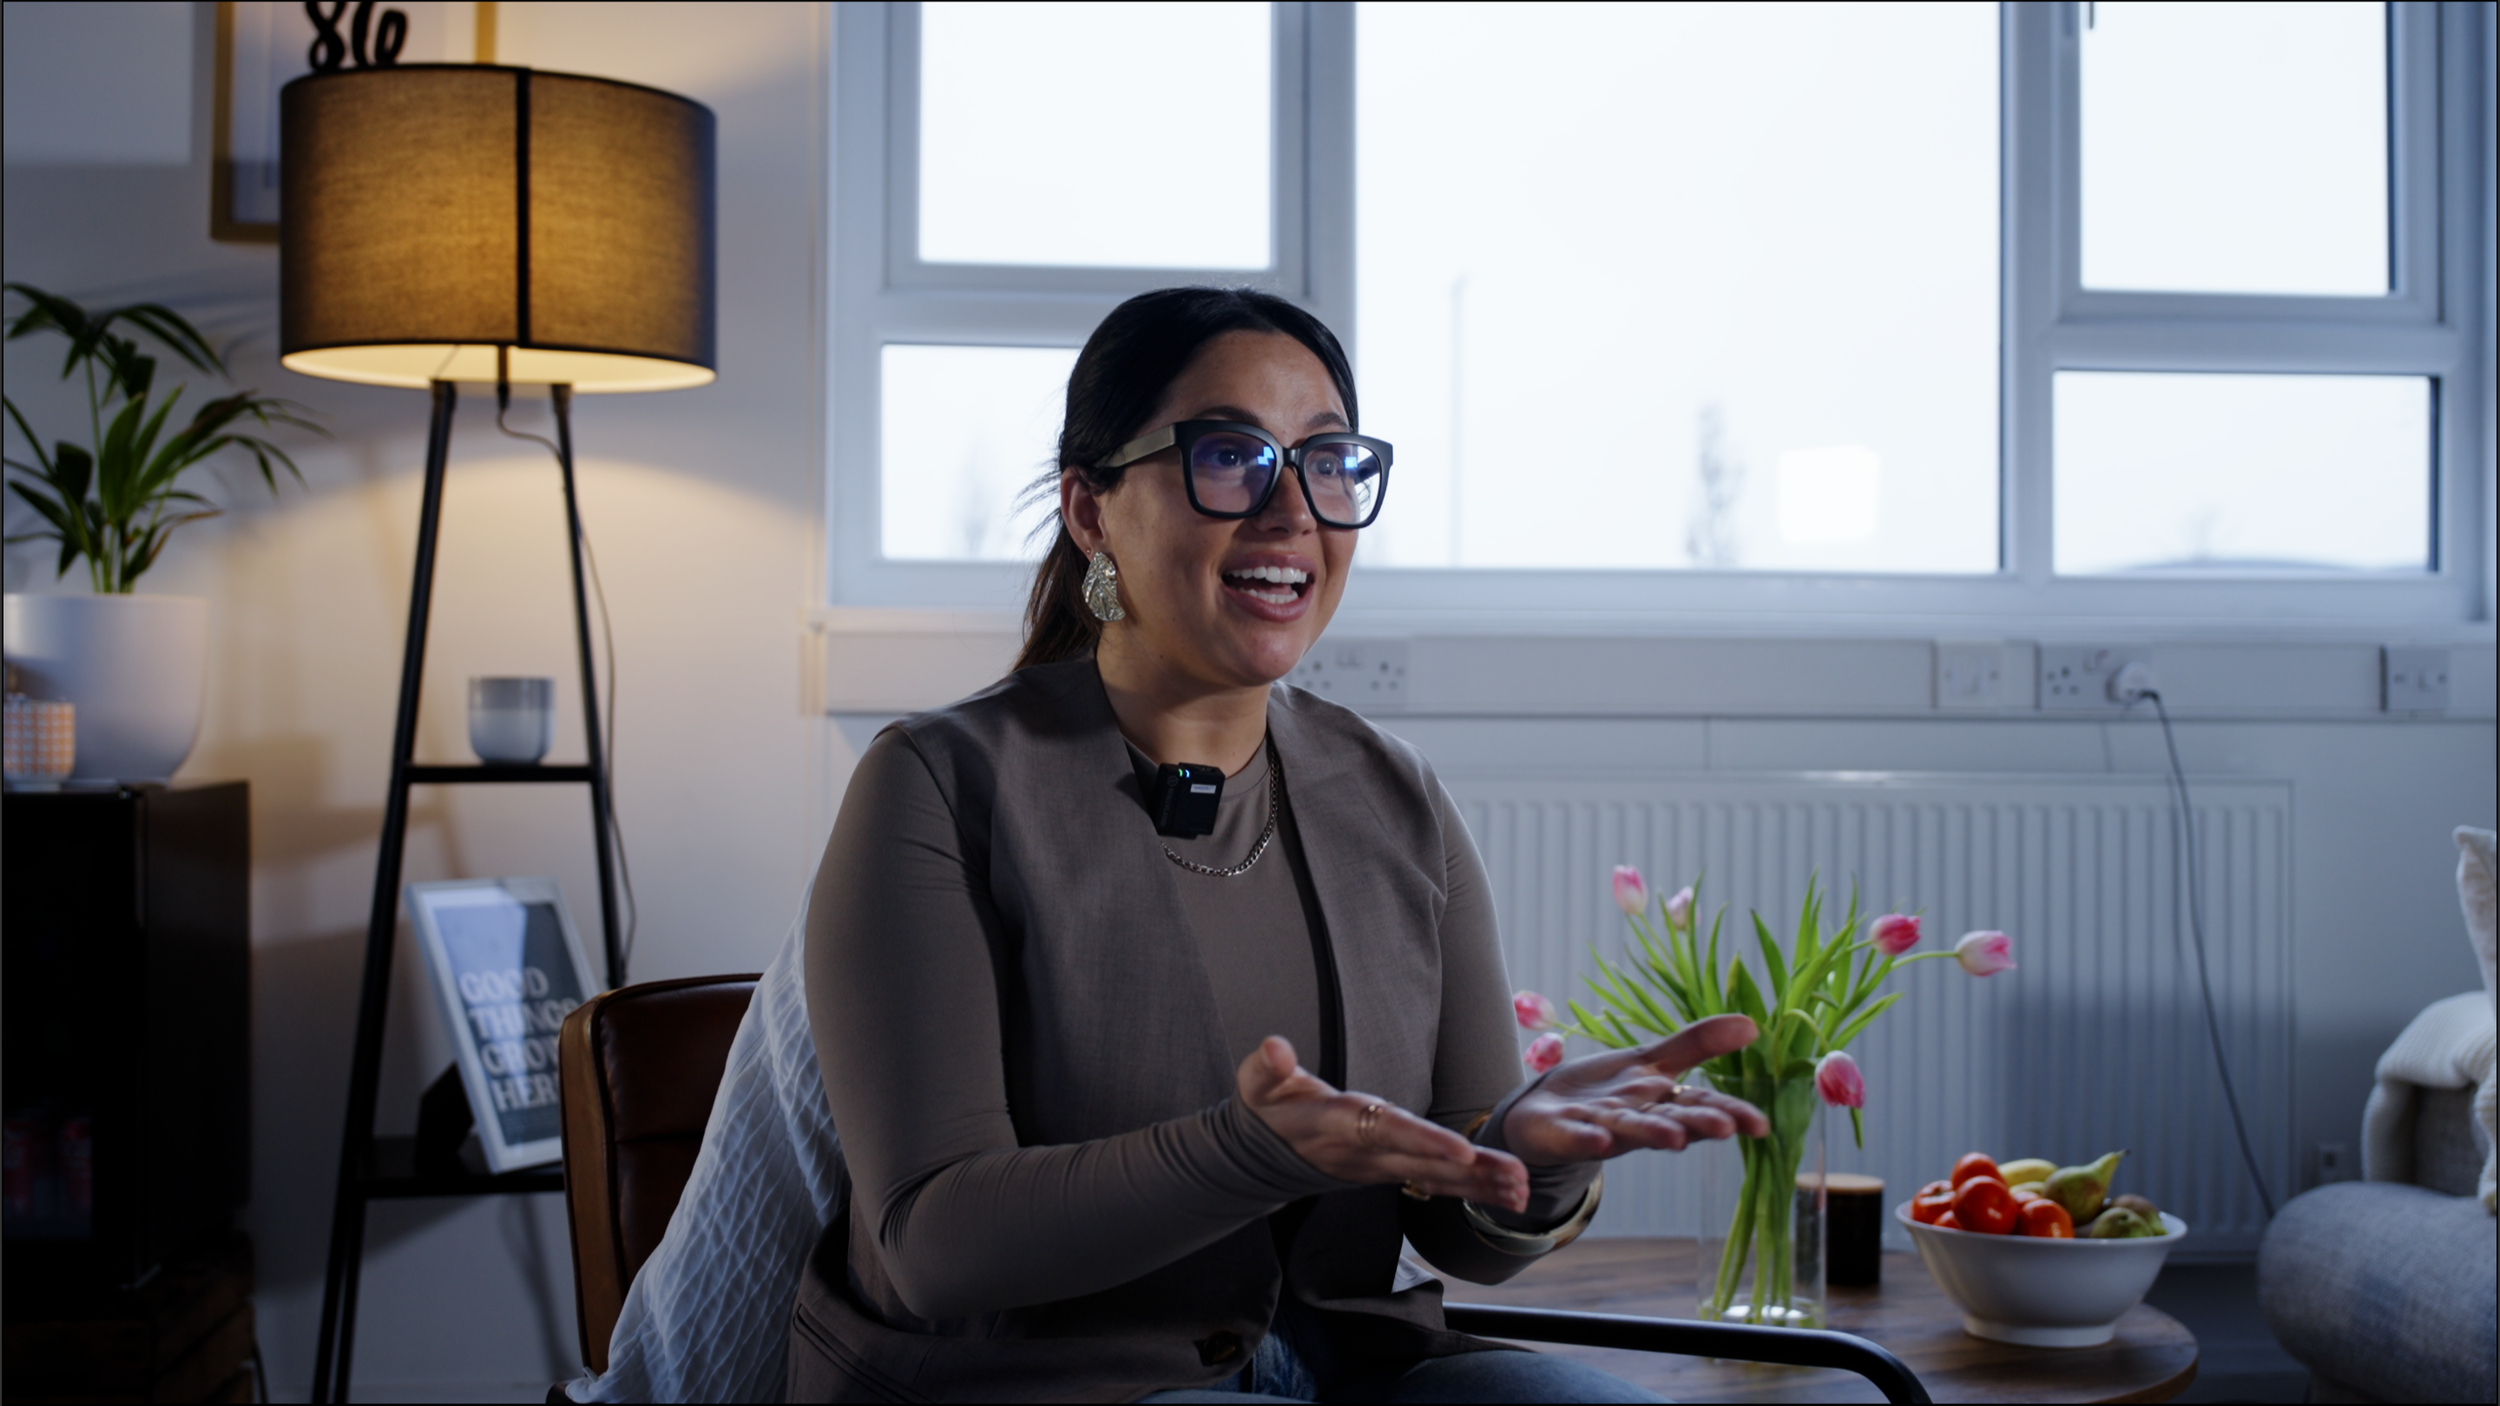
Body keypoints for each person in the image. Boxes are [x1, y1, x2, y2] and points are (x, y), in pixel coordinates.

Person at [790, 287, 1768, 1404]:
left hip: (1354, 1362)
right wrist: (1252, 1151)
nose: (1292, 509)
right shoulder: (936, 784)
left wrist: (1532, 1165)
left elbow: (1466, 1238)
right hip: (1043, 1380)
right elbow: (933, 1245)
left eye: (1327, 461)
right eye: (1229, 454)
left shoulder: (1395, 796)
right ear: (1090, 508)